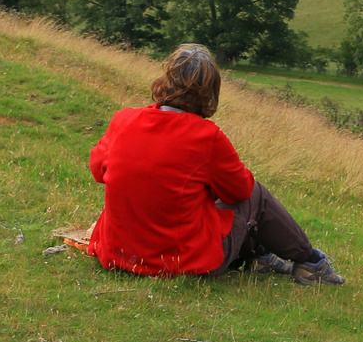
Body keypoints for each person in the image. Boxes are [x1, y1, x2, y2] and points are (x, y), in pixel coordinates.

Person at [87, 43, 344, 285]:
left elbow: (98, 171)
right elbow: (240, 192)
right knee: (256, 194)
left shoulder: (123, 120)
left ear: (166, 80)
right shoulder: (206, 137)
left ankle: (261, 257)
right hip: (178, 262)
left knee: (215, 205)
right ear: (210, 91)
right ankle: (310, 262)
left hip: (119, 255)